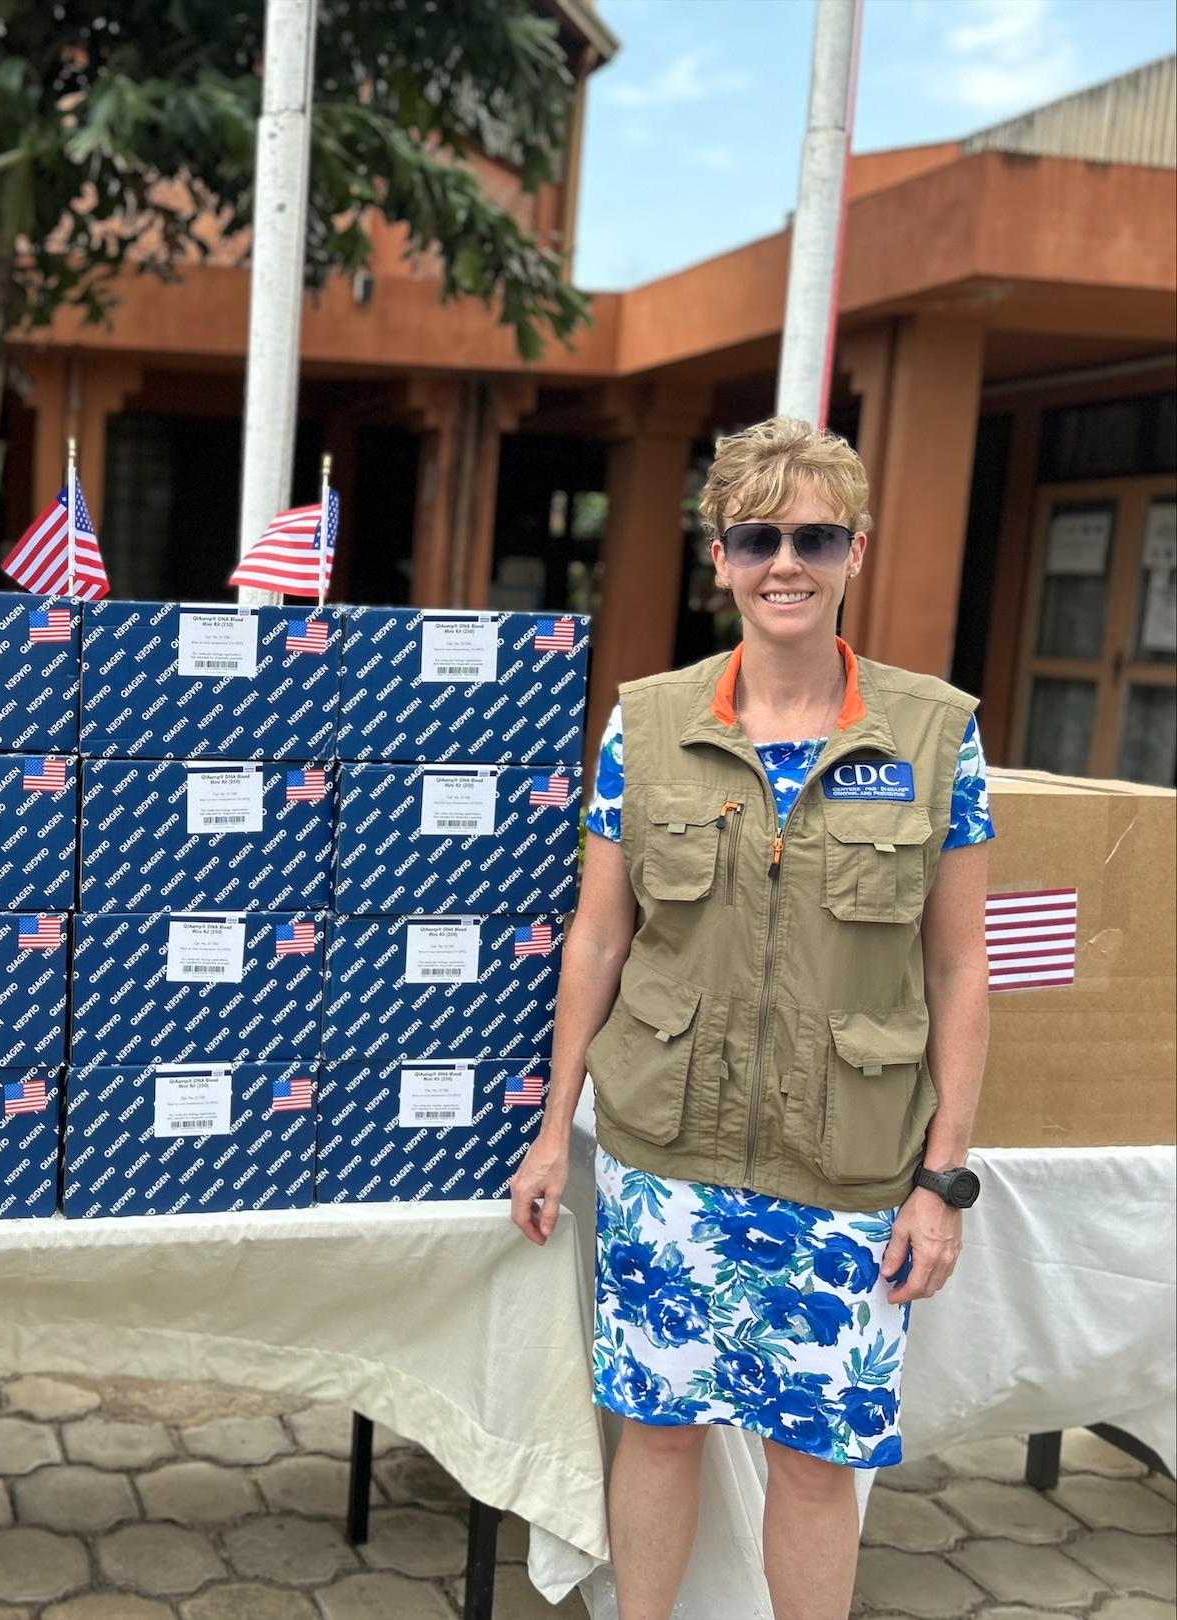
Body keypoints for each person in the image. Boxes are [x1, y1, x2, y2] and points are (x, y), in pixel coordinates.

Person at [509, 417, 993, 1620]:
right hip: (666, 1157)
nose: (787, 561)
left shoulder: (936, 735)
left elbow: (959, 971)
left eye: (815, 535)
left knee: (814, 1462)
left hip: (847, 1164)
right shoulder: (647, 722)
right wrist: (547, 1124)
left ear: (854, 552)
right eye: (757, 536)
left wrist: (941, 1182)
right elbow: (599, 937)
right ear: (717, 557)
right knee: (659, 1435)